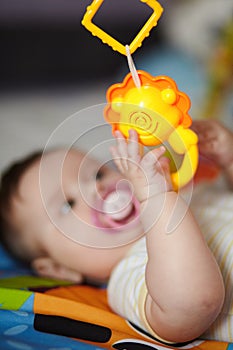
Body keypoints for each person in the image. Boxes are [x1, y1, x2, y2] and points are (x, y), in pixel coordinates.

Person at [0, 119, 232, 343]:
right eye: (68, 204)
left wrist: (228, 160)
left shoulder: (188, 195)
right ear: (58, 269)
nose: (95, 188)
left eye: (98, 174)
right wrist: (157, 198)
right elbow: (195, 302)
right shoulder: (131, 275)